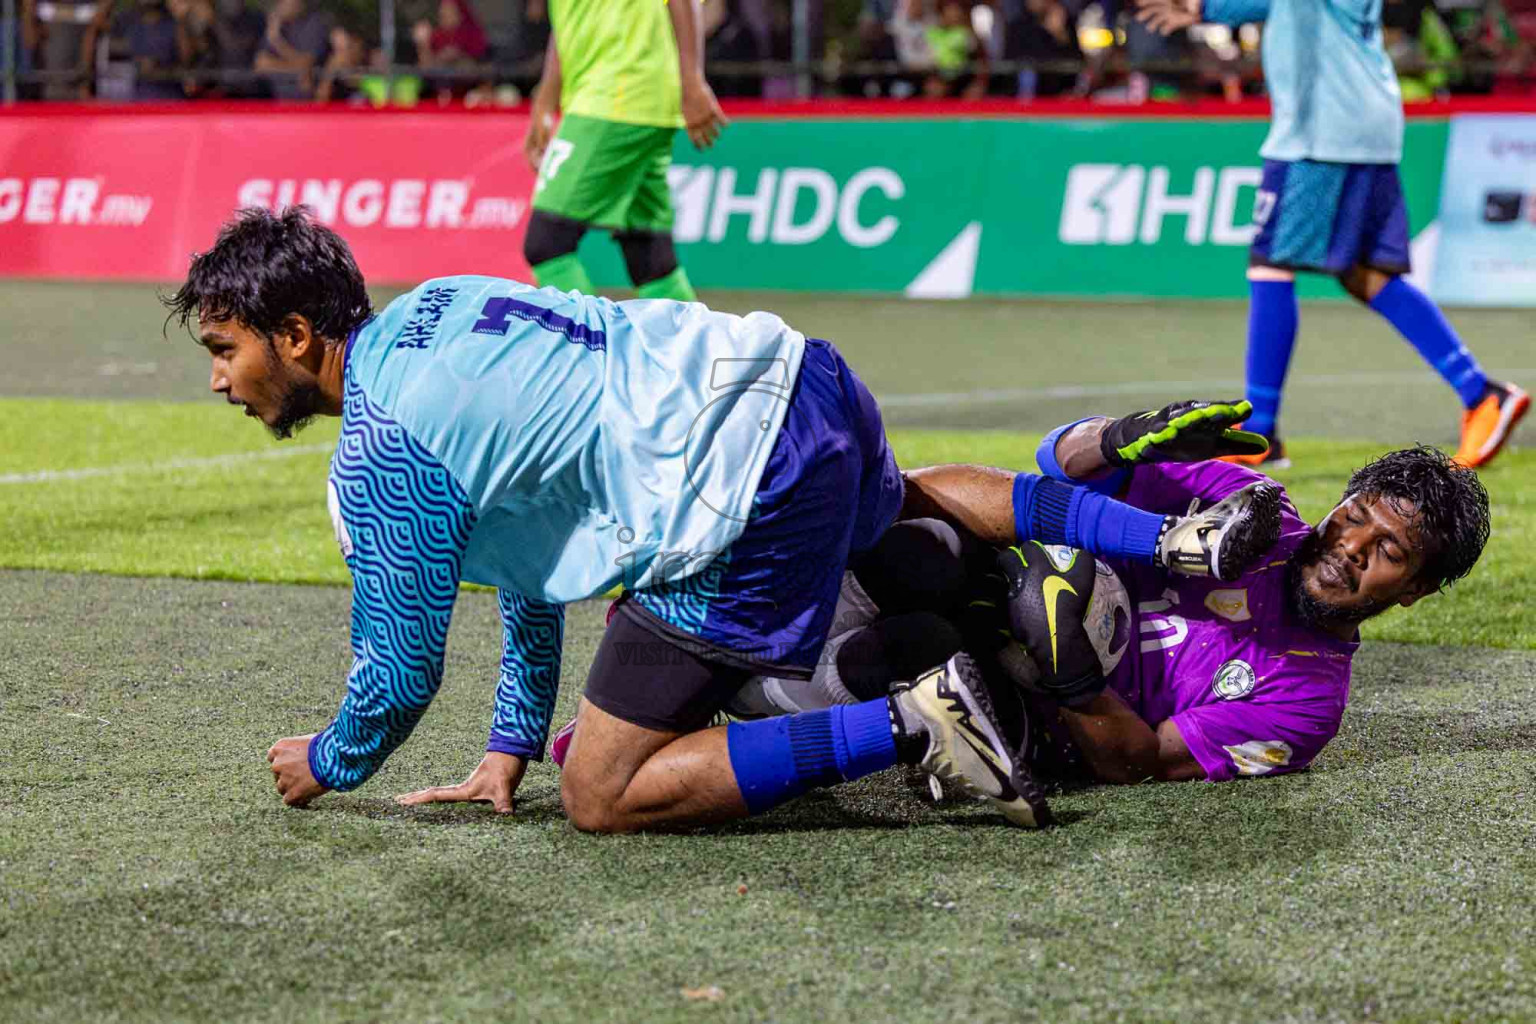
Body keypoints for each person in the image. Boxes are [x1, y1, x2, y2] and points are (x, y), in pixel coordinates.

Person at [167, 208, 1283, 834]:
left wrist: (329, 756)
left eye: (226, 350)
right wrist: (509, 744)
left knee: (601, 793)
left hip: (740, 492)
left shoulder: (381, 446)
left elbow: (401, 675)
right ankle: (1156, 539)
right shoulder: (443, 303)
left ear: (300, 334)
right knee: (902, 509)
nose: (220, 380)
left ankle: (915, 723)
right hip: (803, 377)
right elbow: (530, 548)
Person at [720, 421, 1491, 786]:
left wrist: (1072, 671)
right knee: (925, 549)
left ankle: (737, 708)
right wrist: (1122, 436)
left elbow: (1139, 763)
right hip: (991, 591)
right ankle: (719, 656)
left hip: (1034, 721)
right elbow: (1056, 467)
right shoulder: (1251, 513)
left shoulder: (1306, 704)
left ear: (1416, 591)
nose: (1350, 546)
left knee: (897, 649)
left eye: (1388, 551)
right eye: (1355, 515)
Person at [1136, 0, 1530, 470]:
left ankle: (1260, 431)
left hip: (1323, 132)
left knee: (1270, 263)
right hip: (1355, 120)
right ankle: (1481, 393)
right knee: (1362, 273)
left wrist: (1209, 8)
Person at [520, 0, 727, 302]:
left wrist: (693, 81)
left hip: (619, 96)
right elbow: (569, 20)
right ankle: (697, 349)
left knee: (547, 243)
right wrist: (545, 99)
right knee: (648, 253)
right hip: (622, 98)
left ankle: (590, 346)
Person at [253, 0, 328, 99]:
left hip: (305, 100)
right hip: (275, 99)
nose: (280, 5)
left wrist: (277, 41)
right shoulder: (277, 25)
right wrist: (296, 69)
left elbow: (306, 64)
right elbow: (260, 65)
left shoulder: (314, 24)